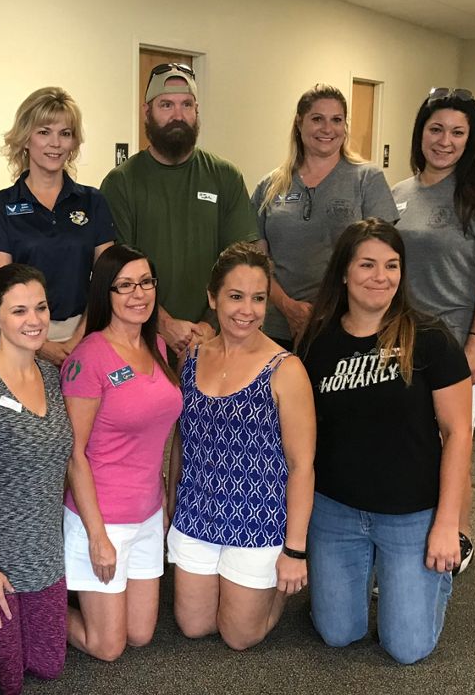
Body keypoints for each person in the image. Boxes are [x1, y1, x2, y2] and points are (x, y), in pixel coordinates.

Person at [297, 219, 472, 665]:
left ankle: (438, 572)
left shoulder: (430, 338)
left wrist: (448, 525)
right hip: (335, 511)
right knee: (338, 634)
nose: (381, 276)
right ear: (343, 272)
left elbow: (457, 434)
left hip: (409, 515)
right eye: (368, 265)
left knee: (407, 648)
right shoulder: (317, 340)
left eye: (392, 266)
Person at [165, 242, 315, 650]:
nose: (247, 309)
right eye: (235, 296)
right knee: (194, 625)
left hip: (258, 518)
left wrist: (295, 551)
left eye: (258, 298)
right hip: (197, 511)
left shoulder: (286, 369)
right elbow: (182, 441)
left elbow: (302, 466)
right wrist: (170, 508)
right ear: (212, 298)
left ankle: (277, 589)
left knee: (238, 636)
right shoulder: (192, 358)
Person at [392, 87, 475, 574]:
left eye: (457, 132)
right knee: (410, 437)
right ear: (421, 133)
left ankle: (459, 534)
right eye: (436, 129)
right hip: (400, 339)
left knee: (452, 437)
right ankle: (413, 529)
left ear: (471, 139)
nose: (445, 141)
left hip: (454, 341)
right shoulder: (397, 193)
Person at [59, 245, 183, 662]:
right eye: (125, 285)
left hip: (147, 514)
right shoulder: (88, 357)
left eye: (146, 282)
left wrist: (163, 502)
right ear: (104, 294)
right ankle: (37, 613)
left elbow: (159, 436)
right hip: (101, 518)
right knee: (107, 647)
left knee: (140, 636)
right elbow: (74, 453)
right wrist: (97, 537)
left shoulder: (159, 348)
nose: (139, 293)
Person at [0, 265, 72, 693]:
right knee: (7, 681)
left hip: (46, 556)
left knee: (47, 667)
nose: (34, 320)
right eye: (19, 310)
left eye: (41, 308)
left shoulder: (50, 376)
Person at [100, 63, 258, 356]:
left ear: (197, 111)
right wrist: (165, 324)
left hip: (215, 340)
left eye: (187, 104)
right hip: (141, 342)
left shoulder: (225, 176)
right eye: (166, 105)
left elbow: (242, 262)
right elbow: (115, 271)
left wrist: (210, 325)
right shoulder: (121, 183)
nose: (178, 115)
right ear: (146, 111)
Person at [251, 84, 397, 350]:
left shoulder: (367, 179)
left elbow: (381, 260)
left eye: (336, 120)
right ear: (299, 122)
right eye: (317, 119)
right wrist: (289, 307)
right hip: (278, 326)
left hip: (346, 325)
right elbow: (256, 261)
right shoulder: (270, 186)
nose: (327, 129)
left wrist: (327, 311)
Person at [0, 87, 115, 364]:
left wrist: (78, 340)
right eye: (44, 132)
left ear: (73, 143)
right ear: (25, 138)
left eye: (65, 133)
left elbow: (105, 280)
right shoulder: (1, 206)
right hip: (20, 337)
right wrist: (41, 345)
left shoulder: (93, 202)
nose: (55, 143)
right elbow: (2, 291)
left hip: (85, 334)